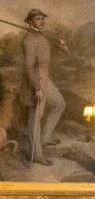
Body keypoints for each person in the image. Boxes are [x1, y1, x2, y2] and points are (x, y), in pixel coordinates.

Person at [20, 9, 65, 165]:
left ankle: (44, 139)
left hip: (45, 76)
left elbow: (46, 57)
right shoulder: (29, 40)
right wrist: (37, 88)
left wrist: (60, 45)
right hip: (36, 79)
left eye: (42, 18)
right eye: (38, 19)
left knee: (59, 104)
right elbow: (29, 67)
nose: (41, 21)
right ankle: (37, 155)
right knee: (36, 117)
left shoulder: (40, 35)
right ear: (30, 21)